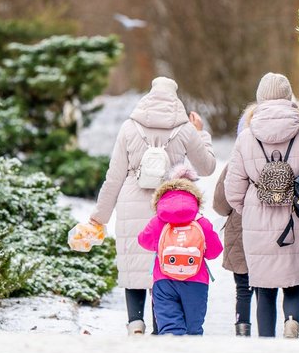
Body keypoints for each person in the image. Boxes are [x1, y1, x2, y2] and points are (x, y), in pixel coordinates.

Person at [90, 76, 217, 335]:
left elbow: (114, 176)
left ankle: (135, 323)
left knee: (133, 266)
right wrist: (201, 133)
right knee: (165, 268)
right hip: (169, 206)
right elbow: (207, 167)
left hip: (131, 200)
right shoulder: (184, 129)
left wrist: (99, 216)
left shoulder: (129, 127)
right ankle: (163, 328)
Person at [224, 73, 299, 338]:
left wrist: (249, 208)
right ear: (289, 97)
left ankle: (266, 341)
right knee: (294, 282)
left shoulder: (247, 137)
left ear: (259, 98)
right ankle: (292, 319)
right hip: (297, 219)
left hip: (257, 222)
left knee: (264, 289)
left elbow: (233, 189)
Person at [137, 167, 222, 335]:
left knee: (169, 328)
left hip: (163, 281)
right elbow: (214, 252)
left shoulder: (158, 221)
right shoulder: (201, 222)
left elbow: (143, 240)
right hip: (196, 281)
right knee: (193, 329)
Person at [213, 165, 253, 336]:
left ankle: (242, 330)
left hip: (241, 228)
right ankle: (268, 334)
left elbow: (220, 205)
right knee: (267, 289)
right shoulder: (283, 155)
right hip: (275, 227)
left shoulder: (236, 162)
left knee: (243, 288)